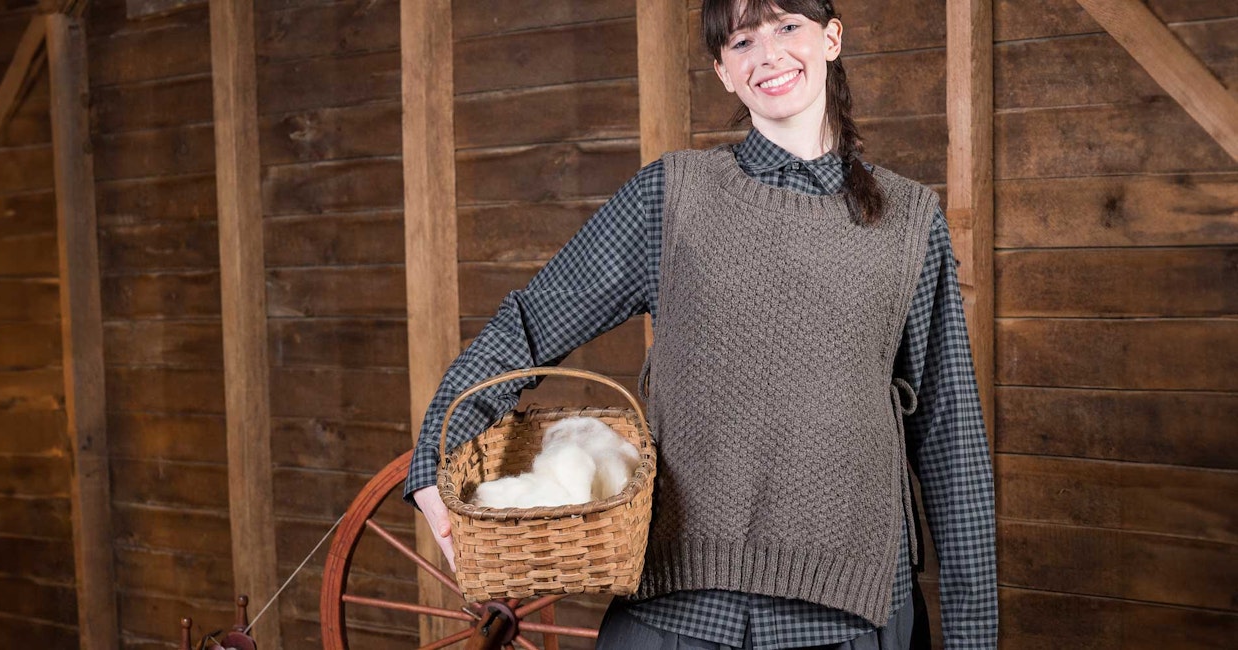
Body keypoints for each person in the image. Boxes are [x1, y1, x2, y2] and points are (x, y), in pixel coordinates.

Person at [404, 1, 998, 648]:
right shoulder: (671, 197)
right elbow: (530, 321)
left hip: (852, 613)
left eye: (788, 27)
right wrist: (437, 446)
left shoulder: (909, 219)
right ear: (721, 70)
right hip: (679, 608)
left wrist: (972, 637)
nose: (768, 54)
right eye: (742, 41)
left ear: (830, 38)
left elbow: (950, 437)